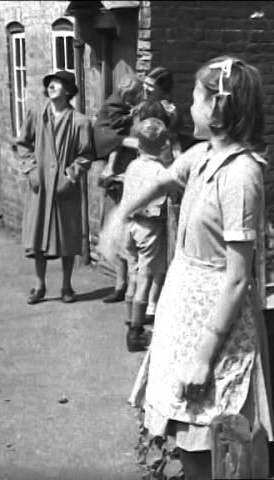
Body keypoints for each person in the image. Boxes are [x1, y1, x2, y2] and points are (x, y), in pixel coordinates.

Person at [115, 56, 273, 479]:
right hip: (184, 311)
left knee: (211, 442)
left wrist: (204, 356)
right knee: (188, 434)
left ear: (219, 108)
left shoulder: (240, 176)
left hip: (213, 325)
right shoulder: (203, 155)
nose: (188, 106)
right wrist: (121, 214)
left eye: (196, 98)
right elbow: (167, 179)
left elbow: (239, 277)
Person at [16, 70, 95, 305]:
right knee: (38, 234)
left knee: (67, 237)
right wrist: (30, 170)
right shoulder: (35, 114)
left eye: (58, 83)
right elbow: (23, 144)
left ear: (69, 91)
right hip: (39, 187)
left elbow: (86, 155)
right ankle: (39, 285)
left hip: (64, 191)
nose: (52, 85)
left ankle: (66, 285)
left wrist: (70, 176)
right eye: (50, 82)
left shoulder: (80, 122)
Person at [119, 118, 169, 352]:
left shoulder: (133, 166)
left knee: (133, 274)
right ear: (163, 146)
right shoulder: (159, 171)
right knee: (146, 278)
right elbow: (156, 208)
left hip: (129, 227)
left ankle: (130, 319)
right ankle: (136, 331)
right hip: (148, 228)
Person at [93, 74, 144, 304]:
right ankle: (121, 284)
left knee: (128, 233)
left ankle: (127, 286)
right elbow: (105, 135)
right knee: (115, 231)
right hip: (117, 176)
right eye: (135, 94)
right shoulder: (114, 107)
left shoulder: (130, 109)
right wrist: (124, 141)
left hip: (132, 174)